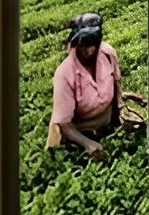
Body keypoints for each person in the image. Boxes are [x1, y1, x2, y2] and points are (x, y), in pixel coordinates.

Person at [50, 14, 121, 156]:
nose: (89, 51)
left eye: (93, 45)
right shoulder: (64, 74)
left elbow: (117, 83)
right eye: (85, 45)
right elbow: (65, 125)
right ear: (76, 44)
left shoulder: (107, 53)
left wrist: (120, 112)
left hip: (107, 124)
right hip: (79, 135)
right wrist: (88, 144)